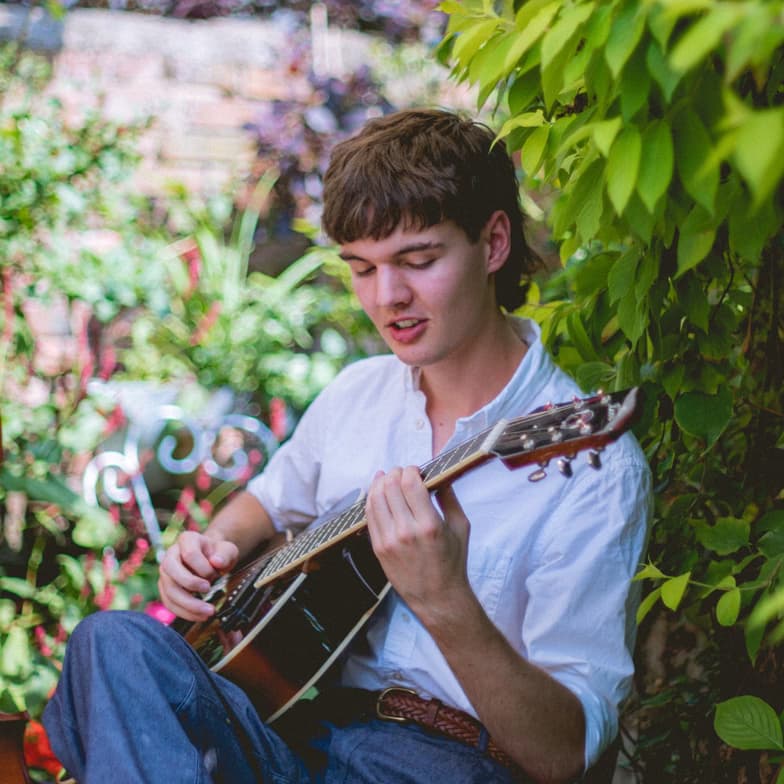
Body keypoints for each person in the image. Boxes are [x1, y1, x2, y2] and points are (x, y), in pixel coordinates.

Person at [43, 109, 651, 784]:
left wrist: (446, 600)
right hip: (305, 740)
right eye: (362, 269)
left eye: (417, 261)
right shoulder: (359, 393)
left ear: (495, 243)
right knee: (112, 644)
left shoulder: (591, 468)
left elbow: (566, 752)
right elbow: (268, 505)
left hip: (453, 766)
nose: (388, 297)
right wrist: (211, 548)